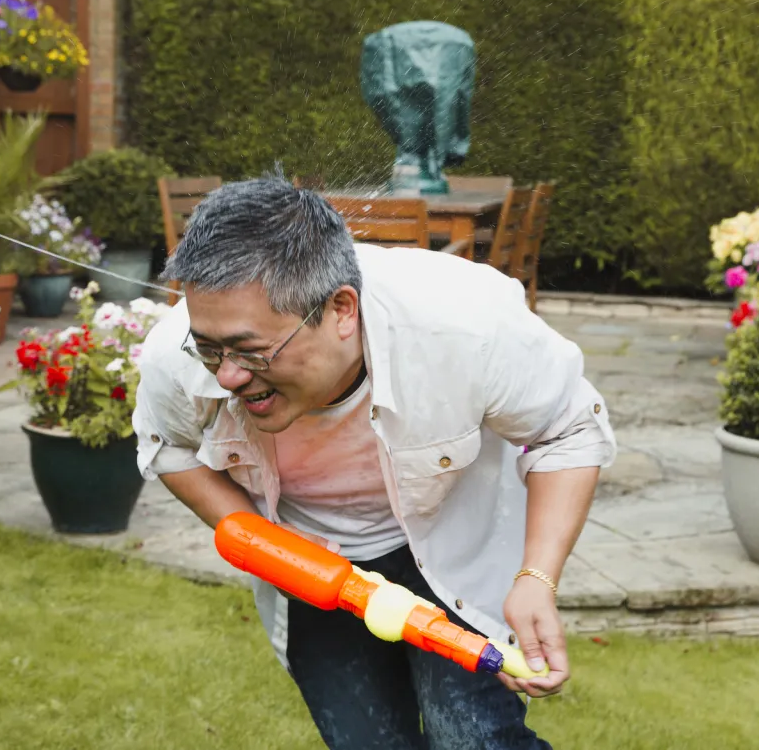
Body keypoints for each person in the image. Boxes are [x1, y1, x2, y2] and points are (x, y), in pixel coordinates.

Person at [131, 175, 616, 749]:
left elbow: (570, 427)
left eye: (251, 352)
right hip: (316, 564)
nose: (228, 375)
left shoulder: (464, 324)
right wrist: (269, 546)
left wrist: (536, 578)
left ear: (341, 309)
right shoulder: (178, 355)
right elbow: (169, 447)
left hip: (454, 543)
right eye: (211, 350)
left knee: (472, 740)